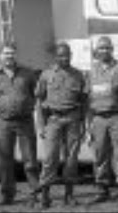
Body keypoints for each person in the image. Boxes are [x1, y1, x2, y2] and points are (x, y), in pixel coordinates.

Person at [0, 43, 40, 206]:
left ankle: (35, 192)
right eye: (6, 53)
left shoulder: (27, 73)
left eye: (12, 53)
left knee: (30, 159)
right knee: (5, 160)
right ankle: (7, 194)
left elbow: (35, 94)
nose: (9, 56)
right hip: (3, 123)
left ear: (16, 55)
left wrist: (27, 105)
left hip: (25, 121)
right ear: (0, 56)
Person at [35, 42, 88, 209]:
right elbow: (39, 100)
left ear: (71, 55)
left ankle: (69, 195)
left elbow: (84, 101)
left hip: (73, 119)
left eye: (67, 55)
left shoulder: (78, 75)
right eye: (60, 55)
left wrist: (83, 123)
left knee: (71, 159)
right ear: (55, 57)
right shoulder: (46, 75)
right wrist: (41, 125)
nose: (64, 58)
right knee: (50, 158)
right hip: (53, 119)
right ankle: (45, 195)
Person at [86, 36, 118, 205]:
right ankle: (102, 189)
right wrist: (89, 123)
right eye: (101, 48)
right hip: (98, 118)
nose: (104, 51)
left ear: (112, 49)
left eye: (107, 48)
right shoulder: (91, 71)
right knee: (100, 154)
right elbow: (88, 99)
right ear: (96, 51)